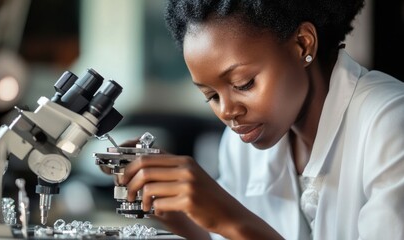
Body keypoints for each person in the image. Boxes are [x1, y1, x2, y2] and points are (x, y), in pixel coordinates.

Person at [114, 0, 404, 239]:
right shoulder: (240, 144)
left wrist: (232, 219)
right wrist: (172, 208)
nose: (227, 112)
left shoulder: (391, 122)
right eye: (211, 96)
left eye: (243, 84)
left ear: (303, 45)